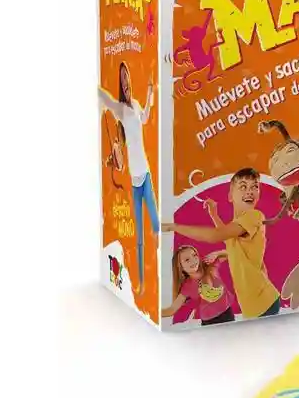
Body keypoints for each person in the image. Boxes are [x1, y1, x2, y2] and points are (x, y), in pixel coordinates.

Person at [162, 168, 280, 318]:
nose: (250, 191)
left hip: (263, 302)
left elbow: (215, 236)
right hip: (253, 303)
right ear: (230, 196)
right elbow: (228, 239)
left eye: (254, 187)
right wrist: (214, 215)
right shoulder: (237, 224)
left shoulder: (254, 216)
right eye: (243, 187)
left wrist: (174, 227)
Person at [98, 63, 158, 292]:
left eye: (127, 76)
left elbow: (145, 118)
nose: (125, 82)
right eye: (121, 78)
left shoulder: (135, 104)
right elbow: (107, 100)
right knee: (139, 234)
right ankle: (141, 284)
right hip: (134, 176)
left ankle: (158, 277)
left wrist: (150, 92)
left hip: (146, 171)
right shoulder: (121, 109)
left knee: (155, 223)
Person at [161, 245, 236, 325]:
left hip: (227, 312)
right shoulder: (187, 287)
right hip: (209, 321)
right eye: (187, 260)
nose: (193, 260)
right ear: (180, 267)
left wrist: (217, 253)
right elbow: (171, 310)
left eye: (194, 255)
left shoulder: (209, 265)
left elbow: (233, 254)